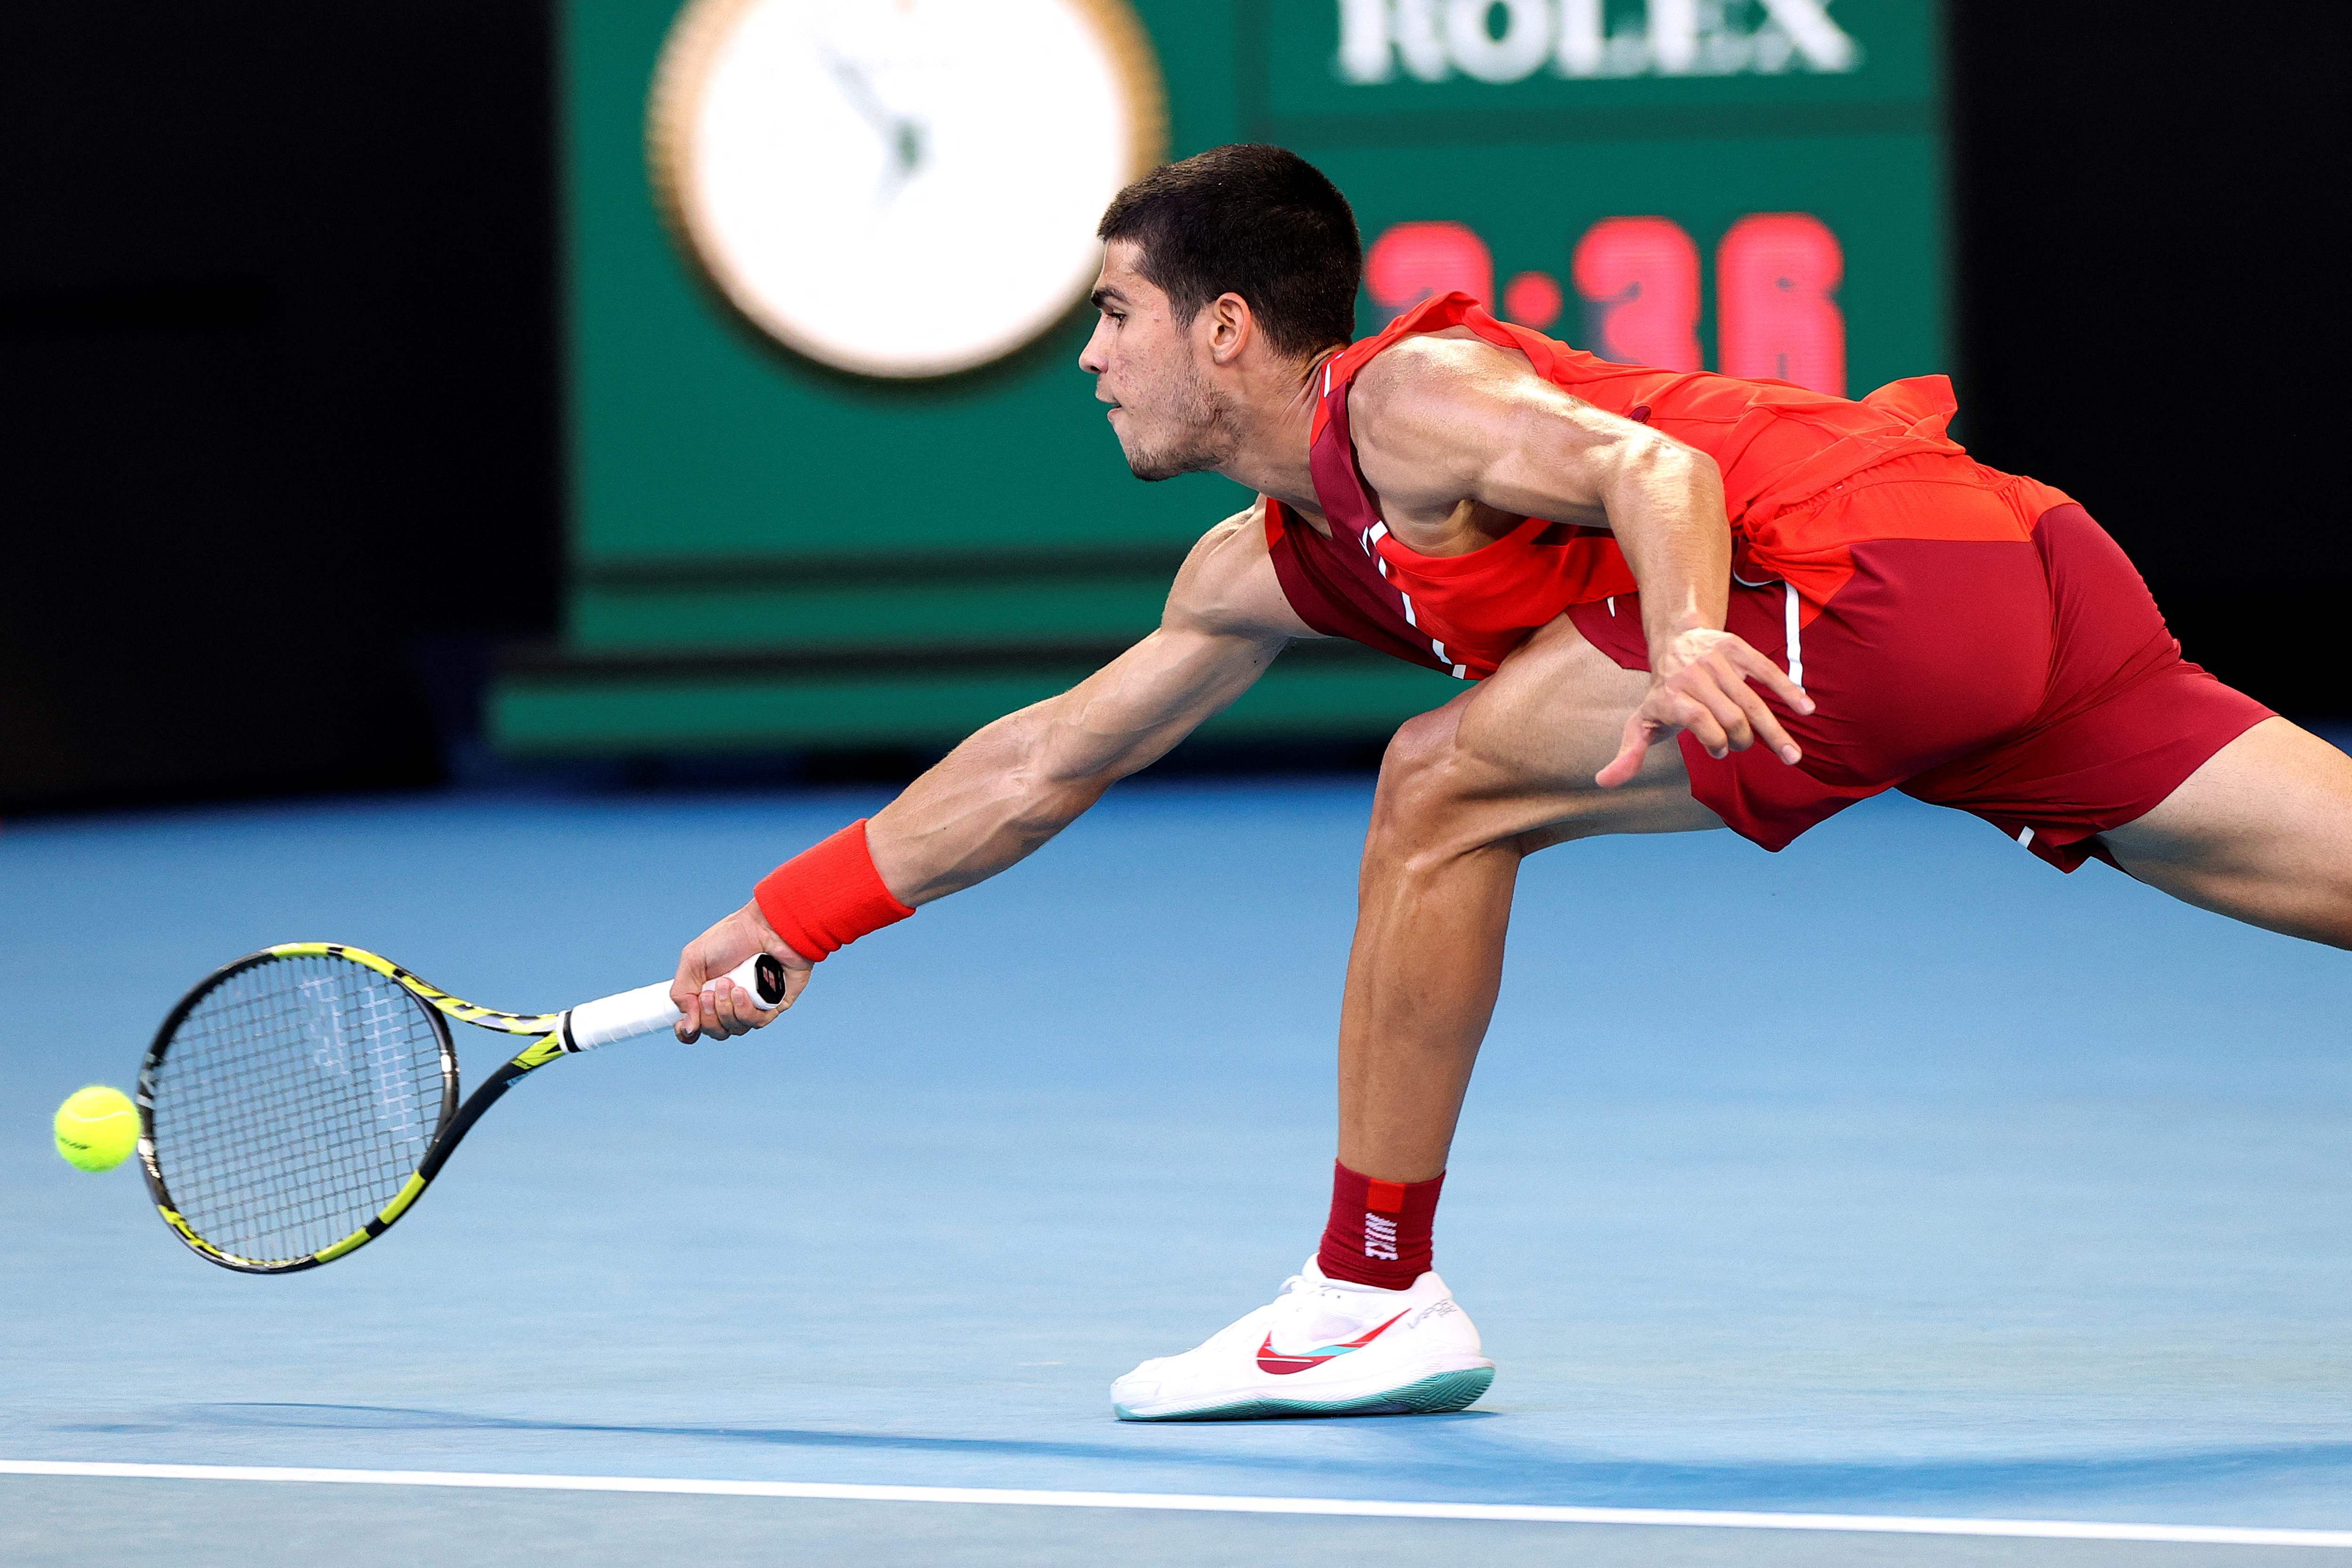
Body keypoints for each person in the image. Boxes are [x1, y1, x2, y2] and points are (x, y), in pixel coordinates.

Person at [667, 145, 2352, 1422]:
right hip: (2022, 562)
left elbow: (1654, 464)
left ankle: (1369, 1292)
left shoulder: (1408, 401)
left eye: (1117, 316)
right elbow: (1048, 759)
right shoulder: (1270, 562)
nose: (1093, 356)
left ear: (1229, 328)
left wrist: (1688, 634)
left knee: (1440, 788)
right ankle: (1368, 1293)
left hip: (1866, 573)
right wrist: (796, 915)